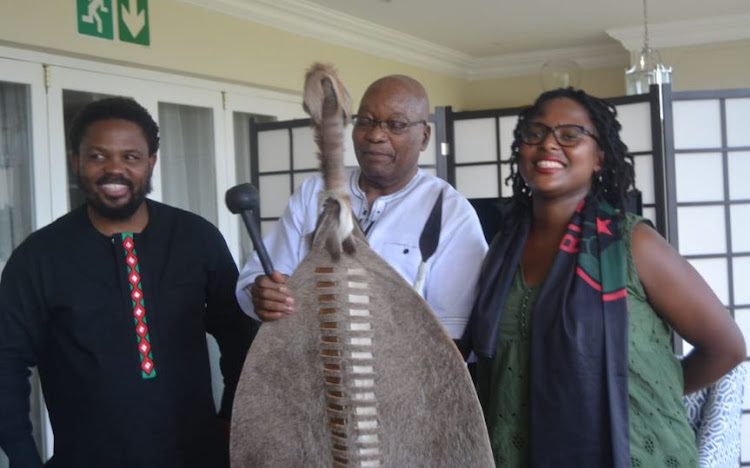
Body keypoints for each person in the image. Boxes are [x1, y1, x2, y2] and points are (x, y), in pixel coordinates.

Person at [463, 88, 746, 467]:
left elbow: (727, 347)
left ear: (599, 158)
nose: (549, 143)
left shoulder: (633, 243)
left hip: (632, 452)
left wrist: (648, 392)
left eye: (570, 135)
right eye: (535, 132)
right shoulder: (501, 251)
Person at [0, 97, 257, 468]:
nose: (114, 169)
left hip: (199, 455)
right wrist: (23, 457)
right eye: (98, 156)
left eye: (131, 157)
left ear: (151, 162)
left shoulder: (196, 237)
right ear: (76, 161)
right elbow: (6, 362)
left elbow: (238, 334)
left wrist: (234, 415)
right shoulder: (38, 257)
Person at [236, 75, 488, 342]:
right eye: (365, 121)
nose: (376, 135)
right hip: (311, 367)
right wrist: (262, 294)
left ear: (424, 137)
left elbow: (455, 332)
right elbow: (258, 277)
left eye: (396, 125)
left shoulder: (448, 211)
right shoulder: (316, 192)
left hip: (403, 375)